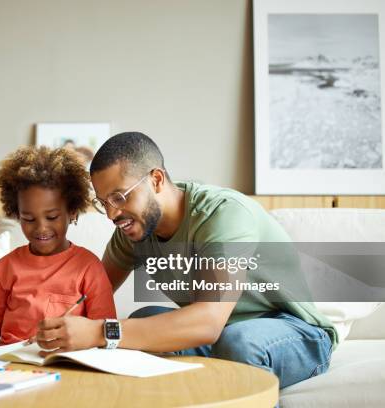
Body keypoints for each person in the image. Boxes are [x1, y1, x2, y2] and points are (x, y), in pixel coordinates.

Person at [35, 132, 336, 388]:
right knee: (144, 319)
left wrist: (101, 332)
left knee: (240, 341)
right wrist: (45, 330)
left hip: (294, 332)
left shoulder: (222, 214)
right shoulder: (132, 231)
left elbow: (207, 321)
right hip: (221, 336)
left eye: (119, 197)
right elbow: (86, 298)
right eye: (104, 203)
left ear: (155, 180)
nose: (113, 214)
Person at [0, 146, 116, 347]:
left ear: (72, 212)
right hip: (10, 362)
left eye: (52, 217)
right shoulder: (4, 268)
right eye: (28, 219)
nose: (41, 228)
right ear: (17, 214)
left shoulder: (89, 267)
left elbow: (104, 329)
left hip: (65, 360)